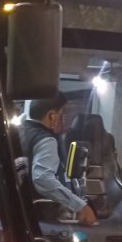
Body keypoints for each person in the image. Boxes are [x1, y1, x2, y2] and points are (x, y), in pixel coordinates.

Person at [19, 93, 97, 226]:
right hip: (39, 218)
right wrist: (80, 206)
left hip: (17, 212)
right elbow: (42, 179)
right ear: (52, 116)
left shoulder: (17, 132)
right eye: (61, 114)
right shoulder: (45, 140)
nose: (62, 119)